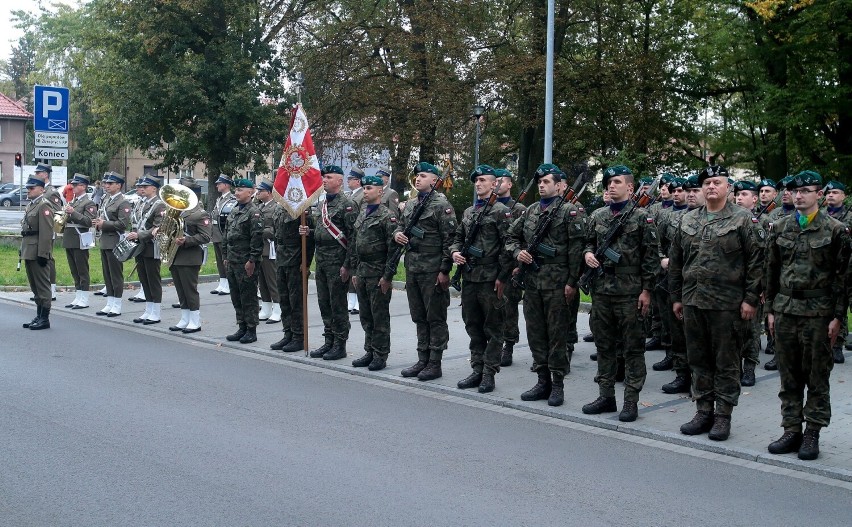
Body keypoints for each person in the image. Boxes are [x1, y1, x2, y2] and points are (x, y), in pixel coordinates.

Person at [670, 165, 763, 441]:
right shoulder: (687, 221)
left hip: (727, 305)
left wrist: (750, 299)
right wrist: (676, 297)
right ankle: (703, 410)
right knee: (698, 359)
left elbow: (757, 263)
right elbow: (676, 262)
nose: (711, 187)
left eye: (716, 182)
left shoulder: (744, 220)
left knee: (726, 362)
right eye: (707, 182)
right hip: (693, 302)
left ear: (728, 188)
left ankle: (723, 415)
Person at [765, 170, 849, 461]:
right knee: (789, 376)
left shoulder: (835, 230)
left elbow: (842, 279)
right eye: (794, 191)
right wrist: (771, 311)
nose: (797, 195)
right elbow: (771, 272)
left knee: (816, 376)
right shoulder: (780, 227)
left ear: (819, 195)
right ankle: (791, 429)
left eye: (805, 191)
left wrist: (838, 317)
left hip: (818, 314)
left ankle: (812, 432)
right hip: (786, 311)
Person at [581, 165, 658, 421]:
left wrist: (647, 291)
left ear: (630, 187)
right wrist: (588, 254)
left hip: (630, 292)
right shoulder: (598, 215)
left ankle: (631, 400)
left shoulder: (642, 217)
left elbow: (651, 258)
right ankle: (606, 396)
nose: (610, 186)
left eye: (616, 182)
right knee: (604, 345)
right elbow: (588, 242)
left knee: (632, 348)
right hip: (602, 291)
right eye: (608, 183)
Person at [506, 164, 583, 406]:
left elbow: (577, 251)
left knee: (557, 335)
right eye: (539, 181)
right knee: (536, 333)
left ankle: (557, 384)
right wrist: (518, 253)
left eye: (547, 181)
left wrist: (572, 283)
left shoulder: (570, 212)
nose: (541, 185)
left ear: (560, 185)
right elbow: (510, 237)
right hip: (532, 283)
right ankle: (542, 381)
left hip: (558, 284)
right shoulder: (530, 211)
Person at [450, 165, 513, 393]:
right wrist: (455, 252)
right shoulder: (469, 212)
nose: (478, 184)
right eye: (476, 180)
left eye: (483, 180)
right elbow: (457, 237)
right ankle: (477, 369)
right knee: (473, 325)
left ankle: (489, 373)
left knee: (493, 328)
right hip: (470, 277)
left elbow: (509, 246)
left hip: (490, 278)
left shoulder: (500, 211)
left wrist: (502, 277)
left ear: (494, 184)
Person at [395, 161, 456, 381]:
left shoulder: (441, 205)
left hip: (432, 269)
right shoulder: (411, 204)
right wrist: (398, 235)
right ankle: (422, 358)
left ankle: (435, 362)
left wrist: (444, 270)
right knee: (419, 316)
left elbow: (450, 240)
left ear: (434, 180)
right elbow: (400, 226)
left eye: (422, 176)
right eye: (417, 176)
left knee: (435, 317)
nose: (418, 179)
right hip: (413, 267)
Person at [306, 165, 357, 360]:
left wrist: (347, 265)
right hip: (322, 262)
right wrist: (308, 232)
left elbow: (353, 237)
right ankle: (329, 340)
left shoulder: (348, 204)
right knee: (324, 302)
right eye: (323, 177)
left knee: (337, 304)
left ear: (339, 181)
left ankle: (340, 343)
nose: (324, 180)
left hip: (338, 262)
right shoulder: (322, 204)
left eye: (328, 177)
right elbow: (321, 231)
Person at [350, 174, 398, 371]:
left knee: (379, 317)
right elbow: (355, 243)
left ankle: (380, 354)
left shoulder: (387, 216)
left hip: (378, 271)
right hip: (362, 271)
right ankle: (369, 350)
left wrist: (387, 276)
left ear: (380, 191)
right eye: (364, 188)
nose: (365, 191)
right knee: (366, 315)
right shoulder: (362, 212)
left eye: (369, 188)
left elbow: (393, 250)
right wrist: (354, 270)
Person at [657, 176, 697, 394]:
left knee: (700, 338)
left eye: (692, 190)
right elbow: (656, 242)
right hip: (676, 283)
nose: (688, 194)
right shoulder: (671, 218)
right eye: (685, 190)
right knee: (677, 332)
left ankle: (702, 382)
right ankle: (682, 374)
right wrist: (662, 258)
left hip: (705, 288)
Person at [161, 175, 211, 333]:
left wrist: (187, 240)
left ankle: (195, 321)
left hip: (189, 257)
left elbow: (205, 236)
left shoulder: (200, 213)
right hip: (175, 256)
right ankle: (185, 318)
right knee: (180, 290)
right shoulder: (177, 211)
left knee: (190, 290)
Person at [269, 193, 315, 353]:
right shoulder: (279, 210)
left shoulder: (302, 210)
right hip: (281, 260)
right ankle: (288, 333)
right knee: (284, 299)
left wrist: (306, 262)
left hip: (296, 261)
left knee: (296, 301)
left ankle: (298, 337)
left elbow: (309, 241)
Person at [223, 178, 264, 343]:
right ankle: (242, 326)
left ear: (251, 192)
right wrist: (225, 255)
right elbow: (226, 234)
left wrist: (252, 260)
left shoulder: (254, 212)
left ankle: (251, 330)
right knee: (236, 295)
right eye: (236, 190)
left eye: (240, 190)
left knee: (248, 296)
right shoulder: (234, 210)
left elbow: (257, 239)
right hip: (232, 260)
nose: (237, 192)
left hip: (245, 262)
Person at [494, 167, 526, 367]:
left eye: (501, 180)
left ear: (509, 184)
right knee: (494, 309)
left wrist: (518, 265)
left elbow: (522, 239)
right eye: (494, 180)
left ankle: (509, 345)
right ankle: (495, 344)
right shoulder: (490, 206)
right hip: (492, 265)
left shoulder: (518, 209)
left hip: (511, 267)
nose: (497, 183)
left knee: (509, 308)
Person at [733, 180, 763, 386]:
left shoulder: (758, 223)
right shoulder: (730, 221)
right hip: (731, 286)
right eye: (737, 194)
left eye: (744, 194)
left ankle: (750, 367)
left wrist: (761, 288)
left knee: (751, 330)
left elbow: (764, 259)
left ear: (755, 198)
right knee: (734, 329)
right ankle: (735, 368)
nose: (739, 198)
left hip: (751, 284)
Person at [127, 175, 166, 324]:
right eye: (141, 187)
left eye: (145, 187)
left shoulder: (159, 205)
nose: (142, 189)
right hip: (140, 246)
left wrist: (139, 235)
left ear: (154, 188)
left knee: (153, 279)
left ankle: (156, 312)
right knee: (144, 278)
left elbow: (159, 228)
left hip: (152, 246)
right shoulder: (142, 203)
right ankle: (148, 310)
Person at [92, 171, 132, 317]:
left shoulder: (123, 202)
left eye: (110, 183)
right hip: (104, 241)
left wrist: (104, 224)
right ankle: (109, 302)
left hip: (115, 241)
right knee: (107, 274)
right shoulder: (106, 199)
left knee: (115, 274)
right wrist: (98, 224)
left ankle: (117, 304)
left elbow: (123, 224)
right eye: (106, 183)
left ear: (118, 185)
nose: (106, 186)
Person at [20, 176, 55, 330]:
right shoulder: (31, 205)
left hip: (38, 251)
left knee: (42, 286)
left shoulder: (44, 206)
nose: (29, 190)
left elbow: (47, 233)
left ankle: (45, 318)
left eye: (32, 188)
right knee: (34, 286)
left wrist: (43, 253)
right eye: (28, 188)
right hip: (29, 249)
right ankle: (39, 315)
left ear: (41, 189)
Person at [823, 180, 852, 363]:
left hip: (849, 267)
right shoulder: (819, 216)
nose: (831, 195)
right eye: (828, 193)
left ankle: (841, 341)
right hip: (828, 268)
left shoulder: (850, 216)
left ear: (844, 196)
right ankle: (832, 343)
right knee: (833, 304)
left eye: (835, 192)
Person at [61, 173, 98, 310]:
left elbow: (89, 221)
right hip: (70, 237)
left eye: (76, 185)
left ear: (83, 186)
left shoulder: (89, 203)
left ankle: (84, 298)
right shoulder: (74, 201)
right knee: (74, 270)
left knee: (82, 269)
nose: (73, 187)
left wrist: (73, 213)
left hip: (80, 238)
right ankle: (78, 295)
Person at [33, 164, 63, 301]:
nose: (37, 174)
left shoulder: (51, 191)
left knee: (48, 259)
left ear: (45, 174)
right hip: (37, 231)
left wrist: (51, 229)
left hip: (48, 230)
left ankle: (52, 290)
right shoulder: (38, 190)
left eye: (39, 172)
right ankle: (41, 290)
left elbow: (58, 213)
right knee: (39, 259)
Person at [255, 179, 282, 324]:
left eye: (261, 190)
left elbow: (276, 228)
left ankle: (278, 309)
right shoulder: (259, 207)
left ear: (269, 192)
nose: (258, 192)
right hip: (260, 248)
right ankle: (266, 307)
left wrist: (260, 231)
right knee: (262, 281)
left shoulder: (276, 208)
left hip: (270, 248)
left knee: (272, 280)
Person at [210, 174, 235, 295]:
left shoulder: (232, 199)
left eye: (219, 183)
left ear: (226, 185)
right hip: (216, 232)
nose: (217, 185)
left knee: (225, 259)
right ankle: (222, 282)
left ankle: (229, 284)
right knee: (219, 259)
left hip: (223, 232)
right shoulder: (219, 199)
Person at [346, 167, 364, 314]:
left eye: (350, 179)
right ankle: (351, 299)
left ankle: (358, 300)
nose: (348, 181)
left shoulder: (362, 195)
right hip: (349, 235)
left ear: (357, 181)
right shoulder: (350, 195)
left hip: (357, 233)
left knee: (356, 267)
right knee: (351, 265)